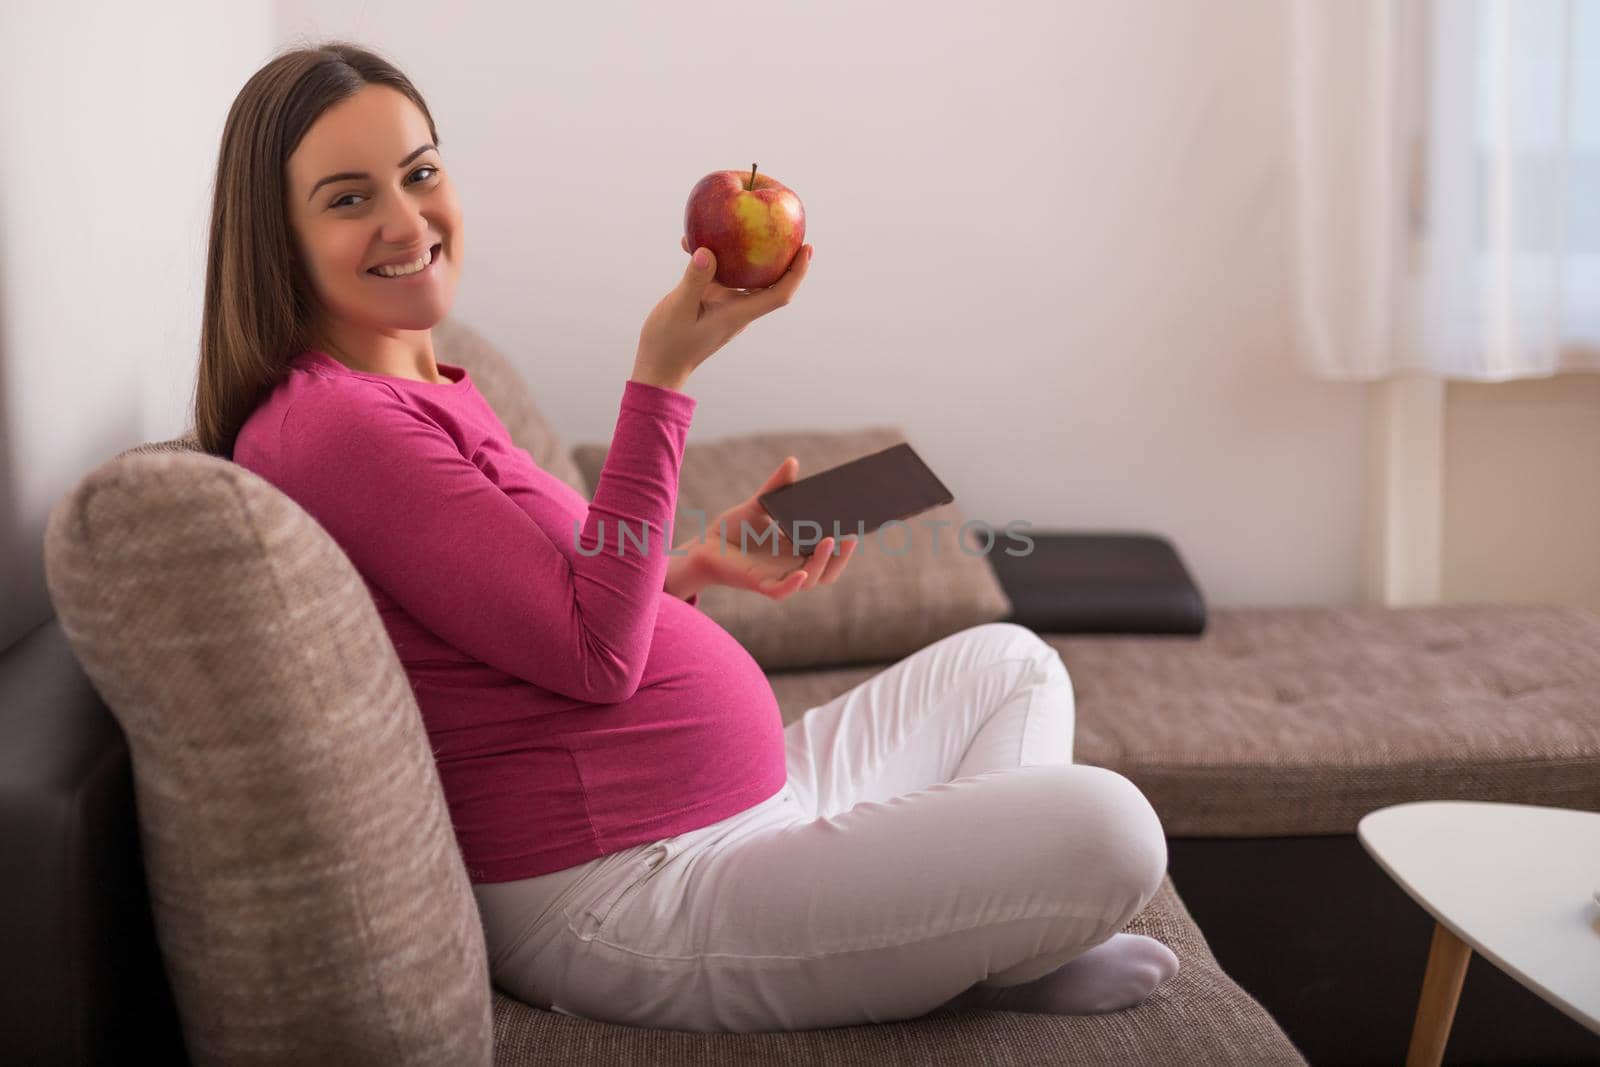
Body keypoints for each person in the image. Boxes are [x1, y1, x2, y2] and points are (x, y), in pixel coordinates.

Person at [200, 39, 1179, 1034]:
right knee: (1112, 826)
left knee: (1013, 665)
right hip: (628, 890)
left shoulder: (427, 387)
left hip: (739, 809)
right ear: (275, 234)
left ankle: (964, 939)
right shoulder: (338, 430)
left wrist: (694, 565)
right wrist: (661, 378)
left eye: (419, 174)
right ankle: (978, 948)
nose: (407, 220)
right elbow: (593, 656)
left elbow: (535, 615)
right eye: (349, 198)